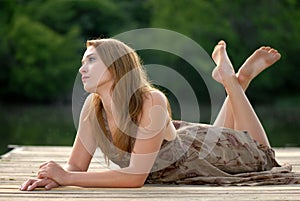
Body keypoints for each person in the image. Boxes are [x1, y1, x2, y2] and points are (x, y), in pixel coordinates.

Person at [20, 38, 295, 191]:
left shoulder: (151, 100)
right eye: (82, 62)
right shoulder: (93, 109)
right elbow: (76, 168)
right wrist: (55, 178)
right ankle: (236, 81)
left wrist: (67, 178)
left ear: (117, 66)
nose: (82, 68)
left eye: (91, 60)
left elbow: (134, 178)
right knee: (221, 134)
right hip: (182, 144)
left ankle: (234, 82)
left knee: (263, 155)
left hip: (196, 158)